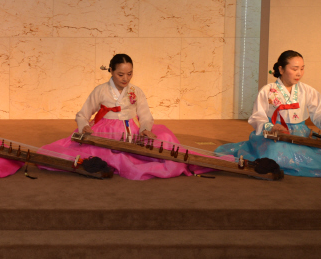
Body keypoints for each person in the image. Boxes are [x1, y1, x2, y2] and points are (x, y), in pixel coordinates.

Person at [41, 54, 209, 180]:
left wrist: (145, 129)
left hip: (131, 129)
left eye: (129, 74)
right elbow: (82, 114)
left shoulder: (136, 91)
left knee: (165, 139)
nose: (125, 78)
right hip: (105, 130)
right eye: (120, 74)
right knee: (97, 151)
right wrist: (84, 125)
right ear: (111, 71)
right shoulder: (101, 90)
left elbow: (145, 115)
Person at [215, 50, 321, 177]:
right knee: (276, 154)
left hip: (300, 133)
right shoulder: (268, 90)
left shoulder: (307, 90)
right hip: (275, 134)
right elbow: (258, 116)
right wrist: (272, 127)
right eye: (294, 69)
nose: (299, 73)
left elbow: (320, 112)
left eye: (302, 68)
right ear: (281, 69)